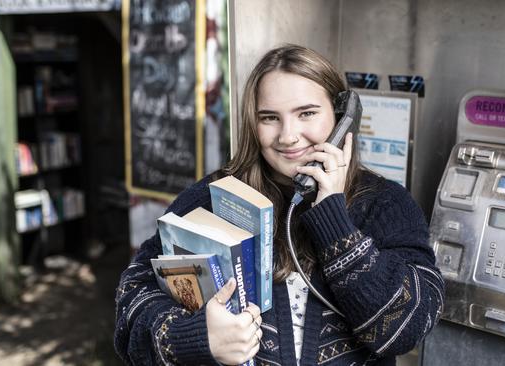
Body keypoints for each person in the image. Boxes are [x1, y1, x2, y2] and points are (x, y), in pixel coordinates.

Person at [115, 44, 444, 366]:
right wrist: (194, 338)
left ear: (343, 118)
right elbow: (132, 300)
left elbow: (408, 329)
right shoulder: (211, 198)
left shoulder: (385, 204)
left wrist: (334, 218)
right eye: (270, 117)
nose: (288, 136)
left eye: (307, 113)